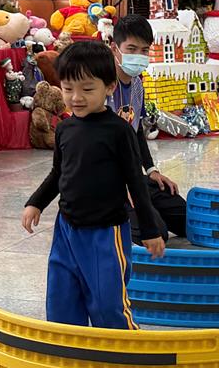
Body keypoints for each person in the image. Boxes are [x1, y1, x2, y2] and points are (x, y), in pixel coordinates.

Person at [23, 41, 165, 329]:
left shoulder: (119, 131)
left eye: (87, 89)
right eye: (68, 88)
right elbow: (58, 173)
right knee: (62, 300)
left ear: (109, 87)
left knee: (107, 303)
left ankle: (122, 349)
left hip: (105, 233)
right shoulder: (64, 128)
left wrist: (150, 230)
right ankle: (70, 349)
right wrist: (35, 202)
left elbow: (135, 183)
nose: (76, 98)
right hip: (66, 230)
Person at [107, 15, 188, 244]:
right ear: (115, 48)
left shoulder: (137, 85)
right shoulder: (102, 86)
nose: (139, 56)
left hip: (132, 176)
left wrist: (151, 170)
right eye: (131, 49)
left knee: (186, 219)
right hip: (106, 180)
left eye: (144, 50)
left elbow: (135, 132)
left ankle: (144, 205)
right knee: (155, 233)